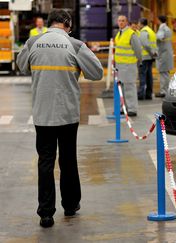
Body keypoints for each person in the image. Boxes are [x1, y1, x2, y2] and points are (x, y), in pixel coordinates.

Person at [16, 9, 103, 228]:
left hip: (42, 114)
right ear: (65, 24)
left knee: (45, 163)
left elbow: (21, 65)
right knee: (68, 160)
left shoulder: (33, 42)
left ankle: (46, 214)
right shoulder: (75, 45)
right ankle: (71, 205)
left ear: (49, 23)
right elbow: (97, 73)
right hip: (67, 114)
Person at [115, 15, 142, 116]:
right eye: (119, 21)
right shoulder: (119, 33)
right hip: (120, 66)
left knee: (129, 87)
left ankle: (132, 109)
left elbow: (138, 49)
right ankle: (123, 108)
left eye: (123, 21)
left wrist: (140, 61)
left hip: (129, 66)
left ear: (126, 22)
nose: (121, 22)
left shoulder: (131, 34)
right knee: (121, 88)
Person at [138, 18, 157, 100]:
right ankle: (148, 94)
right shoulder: (151, 31)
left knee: (142, 75)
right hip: (150, 57)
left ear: (141, 24)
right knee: (149, 76)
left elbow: (145, 44)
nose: (138, 25)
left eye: (139, 23)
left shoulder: (143, 32)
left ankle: (141, 94)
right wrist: (153, 53)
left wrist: (151, 52)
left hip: (145, 57)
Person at [155, 15, 173, 98]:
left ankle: (163, 91)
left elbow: (160, 37)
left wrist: (154, 36)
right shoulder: (168, 28)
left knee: (163, 73)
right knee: (166, 73)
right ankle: (166, 90)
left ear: (159, 20)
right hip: (167, 53)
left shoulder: (162, 28)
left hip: (163, 54)